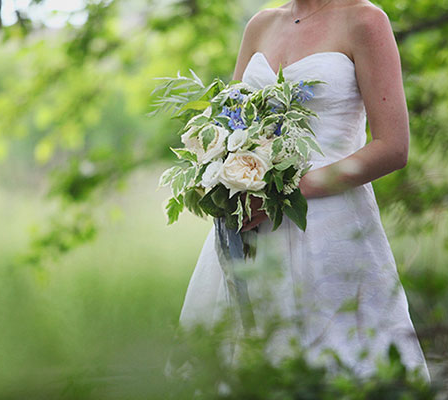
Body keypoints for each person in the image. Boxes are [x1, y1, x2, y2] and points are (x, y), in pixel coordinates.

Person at [175, 0, 432, 382]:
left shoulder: (365, 20)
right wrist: (220, 177)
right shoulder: (261, 24)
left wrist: (288, 192)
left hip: (330, 227)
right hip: (252, 230)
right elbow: (231, 125)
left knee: (341, 364)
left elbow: (393, 147)